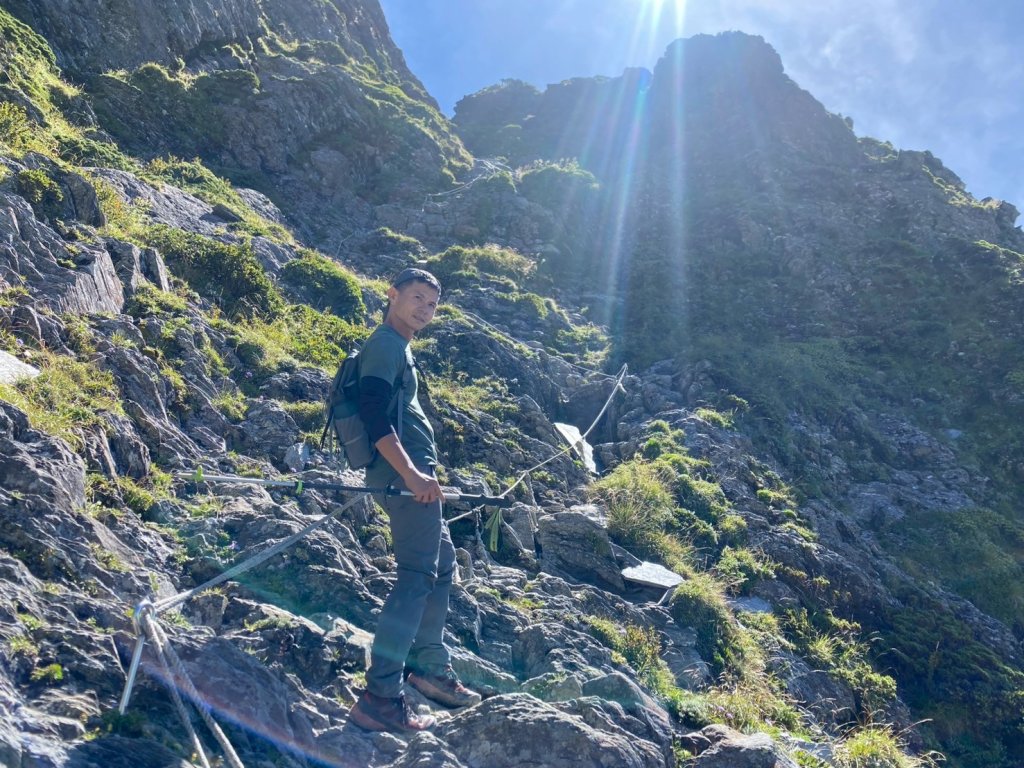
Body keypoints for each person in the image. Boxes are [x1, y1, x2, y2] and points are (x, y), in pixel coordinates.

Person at [349, 267, 481, 733]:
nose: (425, 309)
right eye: (418, 298)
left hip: (411, 480)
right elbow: (373, 412)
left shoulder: (398, 346)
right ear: (392, 295)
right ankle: (380, 696)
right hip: (405, 481)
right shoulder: (385, 344)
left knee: (441, 562)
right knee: (415, 578)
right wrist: (412, 473)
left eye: (432, 304)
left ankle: (427, 667)